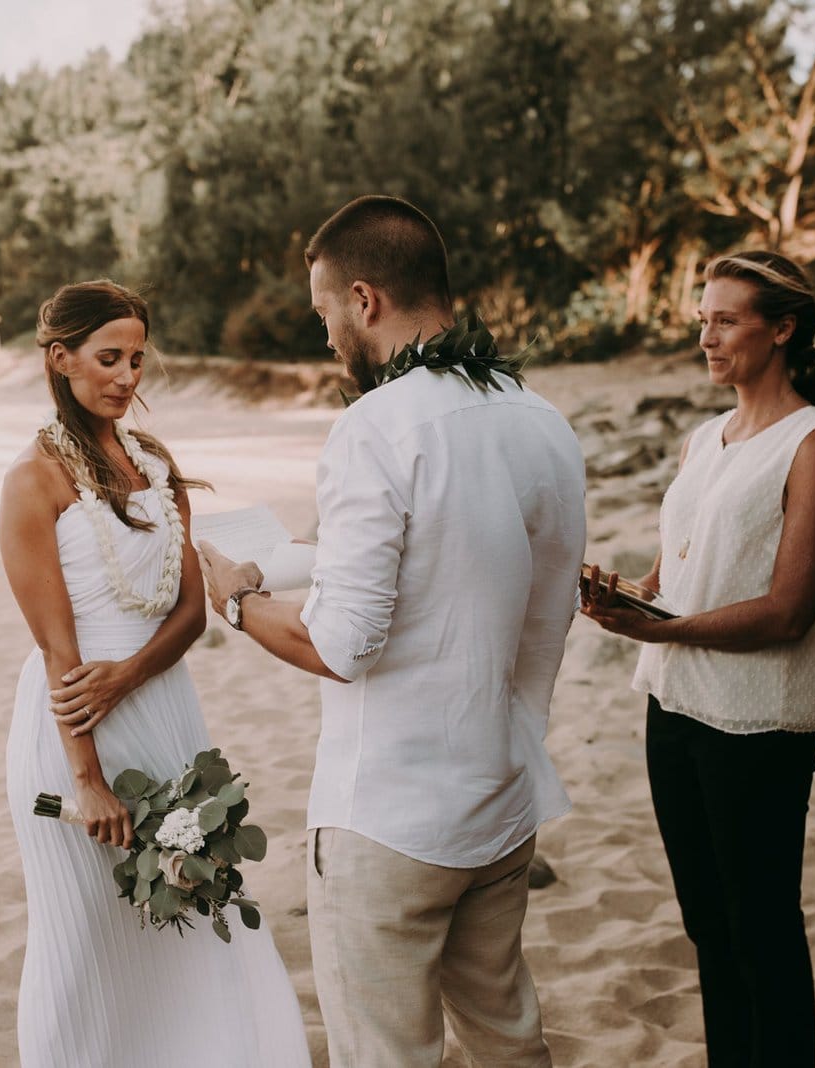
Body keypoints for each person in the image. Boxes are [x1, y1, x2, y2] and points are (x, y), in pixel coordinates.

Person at [198, 195, 587, 1068]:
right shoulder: (542, 420)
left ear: (364, 299)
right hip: (503, 797)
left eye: (324, 313)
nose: (325, 335)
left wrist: (236, 602)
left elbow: (342, 646)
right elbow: (495, 576)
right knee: (507, 1040)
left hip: (390, 819)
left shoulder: (373, 425)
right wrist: (290, 564)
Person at [0, 280, 309, 1068]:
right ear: (61, 358)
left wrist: (131, 674)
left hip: (163, 712)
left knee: (200, 912)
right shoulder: (32, 480)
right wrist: (88, 781)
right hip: (76, 732)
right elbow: (59, 652)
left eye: (136, 360)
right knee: (85, 937)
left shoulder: (155, 464)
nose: (126, 376)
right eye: (108, 358)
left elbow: (192, 613)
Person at [580, 250, 815, 1068]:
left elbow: (789, 610)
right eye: (703, 320)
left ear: (782, 329)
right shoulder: (704, 439)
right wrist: (624, 596)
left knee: (761, 928)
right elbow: (678, 579)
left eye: (726, 321)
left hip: (757, 723)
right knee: (706, 924)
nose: (706, 337)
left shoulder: (814, 444)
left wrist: (663, 631)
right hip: (672, 707)